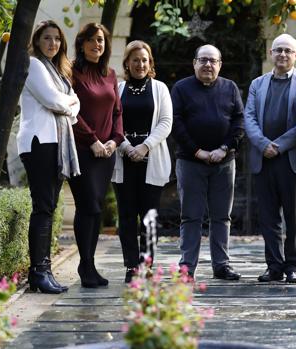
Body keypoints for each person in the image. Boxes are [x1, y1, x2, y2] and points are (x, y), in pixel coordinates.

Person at [17, 20, 80, 294]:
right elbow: (54, 101)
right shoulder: (34, 65)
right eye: (47, 38)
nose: (52, 43)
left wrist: (67, 104)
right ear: (37, 41)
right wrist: (68, 104)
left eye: (57, 39)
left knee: (49, 207)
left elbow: (74, 105)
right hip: (39, 142)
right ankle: (38, 272)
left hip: (55, 142)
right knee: (43, 207)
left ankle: (44, 270)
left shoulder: (57, 71)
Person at [171, 44, 244, 280]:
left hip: (224, 162)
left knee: (222, 216)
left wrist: (224, 149)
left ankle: (221, 265)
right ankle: (187, 268)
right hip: (191, 162)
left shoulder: (230, 88)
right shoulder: (181, 88)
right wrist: (197, 151)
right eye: (203, 60)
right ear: (194, 63)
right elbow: (176, 122)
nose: (208, 65)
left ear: (220, 64)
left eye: (213, 60)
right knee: (191, 216)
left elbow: (239, 121)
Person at [244, 34, 296, 284]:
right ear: (271, 53)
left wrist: (279, 146)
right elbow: (249, 117)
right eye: (278, 50)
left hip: (291, 159)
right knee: (268, 218)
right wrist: (262, 144)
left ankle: (292, 266)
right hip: (264, 159)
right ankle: (274, 266)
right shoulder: (257, 84)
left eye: (288, 51)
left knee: (294, 217)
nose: (283, 54)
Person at [111, 40, 173, 283]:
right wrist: (127, 147)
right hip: (124, 160)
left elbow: (166, 123)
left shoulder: (160, 89)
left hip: (151, 158)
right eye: (135, 60)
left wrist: (145, 146)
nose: (140, 64)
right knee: (126, 216)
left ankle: (146, 264)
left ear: (151, 63)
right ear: (127, 63)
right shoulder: (117, 88)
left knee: (149, 216)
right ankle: (131, 267)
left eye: (144, 60)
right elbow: (112, 122)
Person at [69, 23, 124, 288]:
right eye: (91, 40)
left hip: (107, 153)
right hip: (82, 150)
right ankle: (85, 264)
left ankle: (89, 265)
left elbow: (117, 112)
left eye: (100, 40)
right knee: (87, 206)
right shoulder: (71, 72)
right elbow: (72, 112)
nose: (97, 45)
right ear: (81, 44)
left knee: (97, 208)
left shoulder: (110, 74)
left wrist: (114, 140)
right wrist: (92, 140)